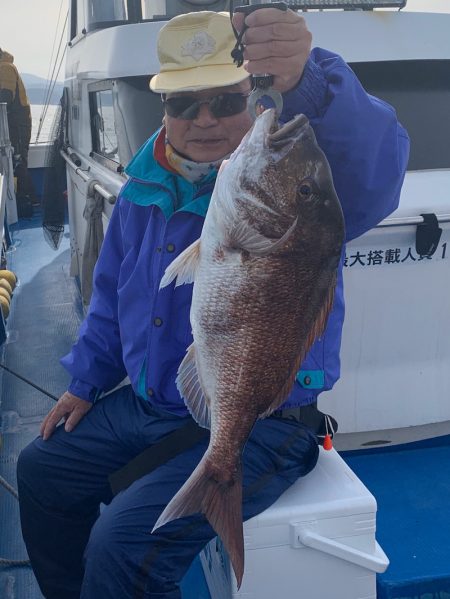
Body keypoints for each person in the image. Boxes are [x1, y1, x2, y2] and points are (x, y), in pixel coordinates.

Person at [16, 8, 409, 599]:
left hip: (266, 423)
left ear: (253, 100)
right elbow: (108, 300)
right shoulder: (141, 194)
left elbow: (372, 170)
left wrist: (306, 77)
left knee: (122, 548)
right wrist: (85, 382)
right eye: (184, 104)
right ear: (163, 112)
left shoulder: (303, 207)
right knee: (41, 469)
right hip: (158, 404)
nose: (204, 119)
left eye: (225, 102)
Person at [0, 48, 35, 216]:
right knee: (16, 162)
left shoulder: (5, 67)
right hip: (11, 127)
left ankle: (24, 203)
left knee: (19, 161)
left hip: (17, 127)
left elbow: (4, 97)